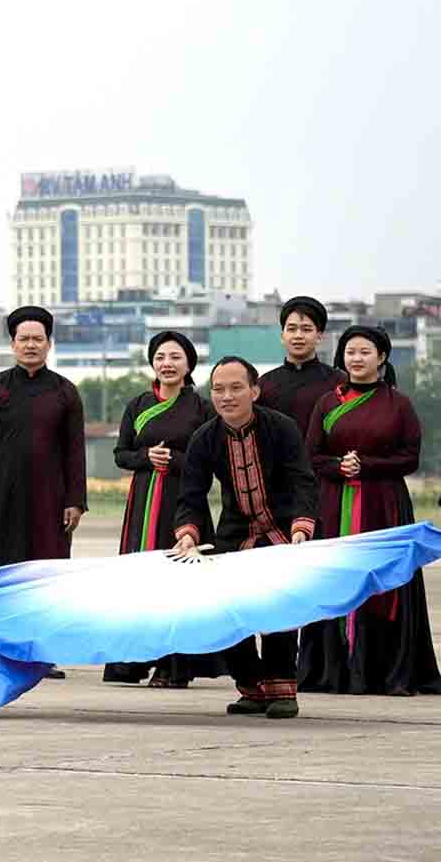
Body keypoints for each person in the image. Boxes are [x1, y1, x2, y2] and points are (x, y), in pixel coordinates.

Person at [172, 358, 318, 719]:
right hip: (235, 535)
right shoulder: (204, 437)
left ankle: (283, 689)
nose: (226, 396)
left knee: (277, 608)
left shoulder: (281, 428)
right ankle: (252, 687)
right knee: (226, 610)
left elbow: (302, 480)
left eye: (236, 387)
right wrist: (188, 534)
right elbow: (190, 495)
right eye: (218, 389)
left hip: (284, 531)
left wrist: (302, 527)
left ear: (254, 391)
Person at [297, 326, 435, 696]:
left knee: (384, 583)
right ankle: (331, 670)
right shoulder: (327, 403)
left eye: (364, 352)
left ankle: (384, 670)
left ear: (382, 358)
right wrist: (339, 468)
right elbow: (312, 456)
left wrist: (368, 465)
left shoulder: (398, 404)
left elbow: (409, 458)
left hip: (383, 505)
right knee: (334, 578)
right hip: (334, 502)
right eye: (350, 352)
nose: (356, 359)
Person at [0, 306, 86, 677]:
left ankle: (41, 655)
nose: (31, 345)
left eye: (38, 339)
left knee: (45, 577)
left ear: (49, 344)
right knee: (2, 575)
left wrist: (75, 502)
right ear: (12, 344)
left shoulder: (65, 392)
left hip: (51, 502)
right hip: (1, 499)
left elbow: (74, 450)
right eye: (24, 339)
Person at [104, 330, 223, 687]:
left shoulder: (201, 407)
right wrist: (145, 457)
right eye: (160, 357)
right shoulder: (138, 404)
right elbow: (121, 454)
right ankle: (131, 662)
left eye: (174, 357)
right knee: (139, 578)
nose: (166, 364)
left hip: (182, 499)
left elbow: (209, 460)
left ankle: (175, 665)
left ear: (188, 365)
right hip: (142, 502)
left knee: (177, 580)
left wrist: (174, 459)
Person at [257, 295, 342, 439]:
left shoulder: (339, 382)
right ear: (282, 336)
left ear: (319, 336)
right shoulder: (263, 385)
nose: (298, 336)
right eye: (291, 329)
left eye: (306, 329)